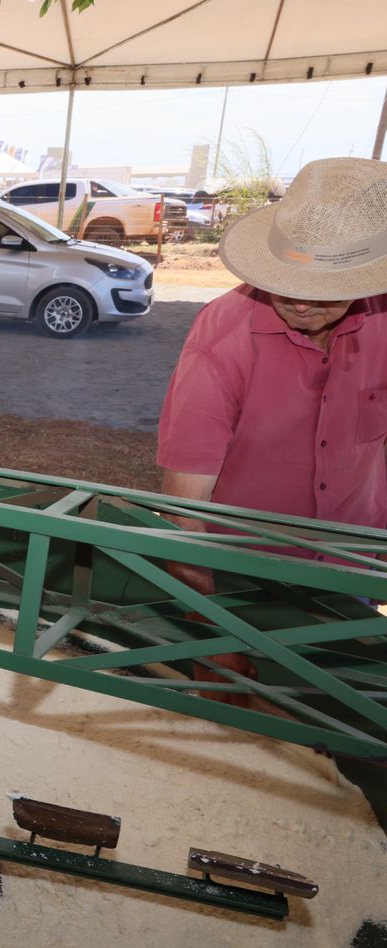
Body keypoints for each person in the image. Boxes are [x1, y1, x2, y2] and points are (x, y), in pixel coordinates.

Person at [155, 156, 387, 699]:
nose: (302, 300)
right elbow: (186, 507)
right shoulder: (223, 337)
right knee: (241, 735)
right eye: (286, 282)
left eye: (326, 287)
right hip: (241, 576)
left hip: (353, 565)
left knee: (348, 735)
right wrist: (209, 632)